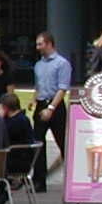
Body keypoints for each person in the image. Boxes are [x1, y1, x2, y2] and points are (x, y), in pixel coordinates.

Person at [31, 30, 71, 186]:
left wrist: (51, 108)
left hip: (56, 105)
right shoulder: (38, 65)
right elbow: (38, 85)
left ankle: (73, 176)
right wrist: (34, 100)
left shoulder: (62, 63)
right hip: (41, 103)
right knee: (38, 142)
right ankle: (39, 180)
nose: (38, 47)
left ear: (49, 44)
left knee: (63, 142)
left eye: (40, 44)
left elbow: (62, 89)